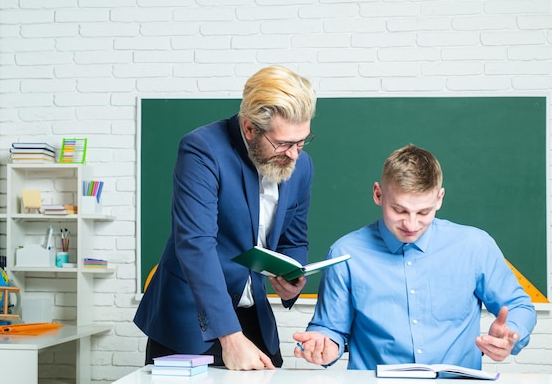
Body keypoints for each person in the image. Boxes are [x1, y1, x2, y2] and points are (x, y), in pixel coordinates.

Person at [134, 65, 317, 370]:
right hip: (191, 318)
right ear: (249, 128)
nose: (294, 154)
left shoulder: (302, 165)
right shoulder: (202, 149)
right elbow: (195, 244)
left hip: (252, 313)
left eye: (301, 142)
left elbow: (294, 238)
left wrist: (293, 277)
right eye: (283, 143)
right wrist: (230, 336)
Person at [294, 144, 537, 370]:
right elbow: (330, 329)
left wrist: (510, 333)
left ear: (439, 199)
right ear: (378, 195)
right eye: (399, 210)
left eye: (424, 212)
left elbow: (519, 306)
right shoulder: (345, 254)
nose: (411, 224)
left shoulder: (475, 246)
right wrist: (324, 345)